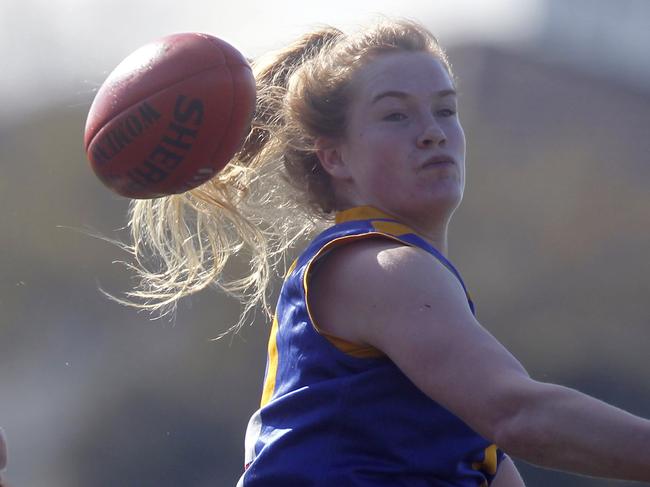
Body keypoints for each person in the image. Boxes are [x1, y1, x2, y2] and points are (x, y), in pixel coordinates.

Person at [123, 19, 650, 486]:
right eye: (396, 116)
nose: (433, 134)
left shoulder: (425, 328)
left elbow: (506, 436)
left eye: (445, 109)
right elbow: (520, 415)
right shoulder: (379, 268)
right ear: (335, 157)